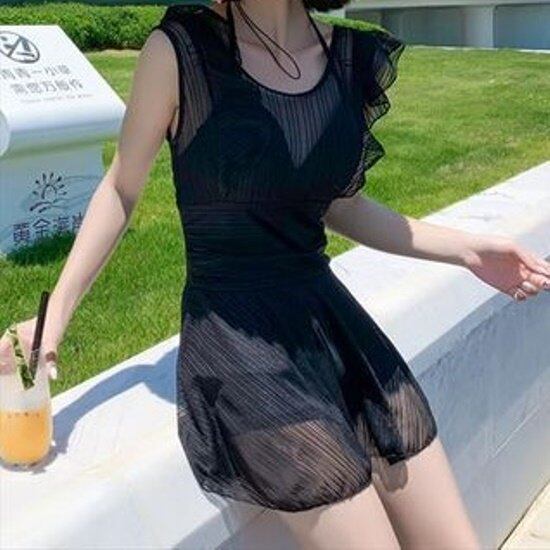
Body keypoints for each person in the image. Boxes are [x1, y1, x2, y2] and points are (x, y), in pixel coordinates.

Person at [2, 0, 549, 547]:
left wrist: (470, 251)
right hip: (235, 336)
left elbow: (340, 204)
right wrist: (54, 320)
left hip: (331, 324)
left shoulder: (343, 57)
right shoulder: (182, 52)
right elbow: (122, 187)